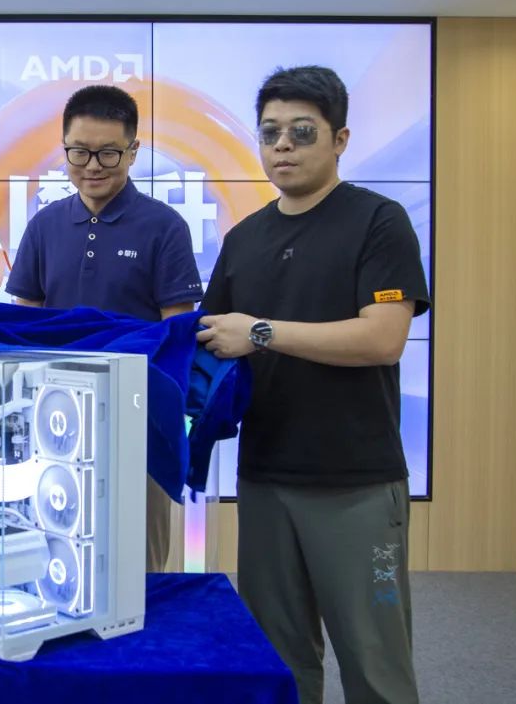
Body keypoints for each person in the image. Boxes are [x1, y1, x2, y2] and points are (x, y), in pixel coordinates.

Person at [197, 66, 428, 704]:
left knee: (376, 666)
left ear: (340, 139)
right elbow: (212, 342)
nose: (283, 145)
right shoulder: (243, 238)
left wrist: (261, 332)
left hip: (357, 484)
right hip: (266, 479)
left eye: (302, 132)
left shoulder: (378, 222)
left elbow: (382, 338)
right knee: (279, 665)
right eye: (270, 132)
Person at [6, 84, 203, 572]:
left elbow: (176, 337)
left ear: (133, 151)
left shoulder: (165, 227)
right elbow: (25, 326)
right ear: (64, 148)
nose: (92, 166)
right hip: (55, 418)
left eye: (109, 153)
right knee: (56, 547)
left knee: (140, 559)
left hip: (138, 420)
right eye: (79, 152)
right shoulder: (44, 225)